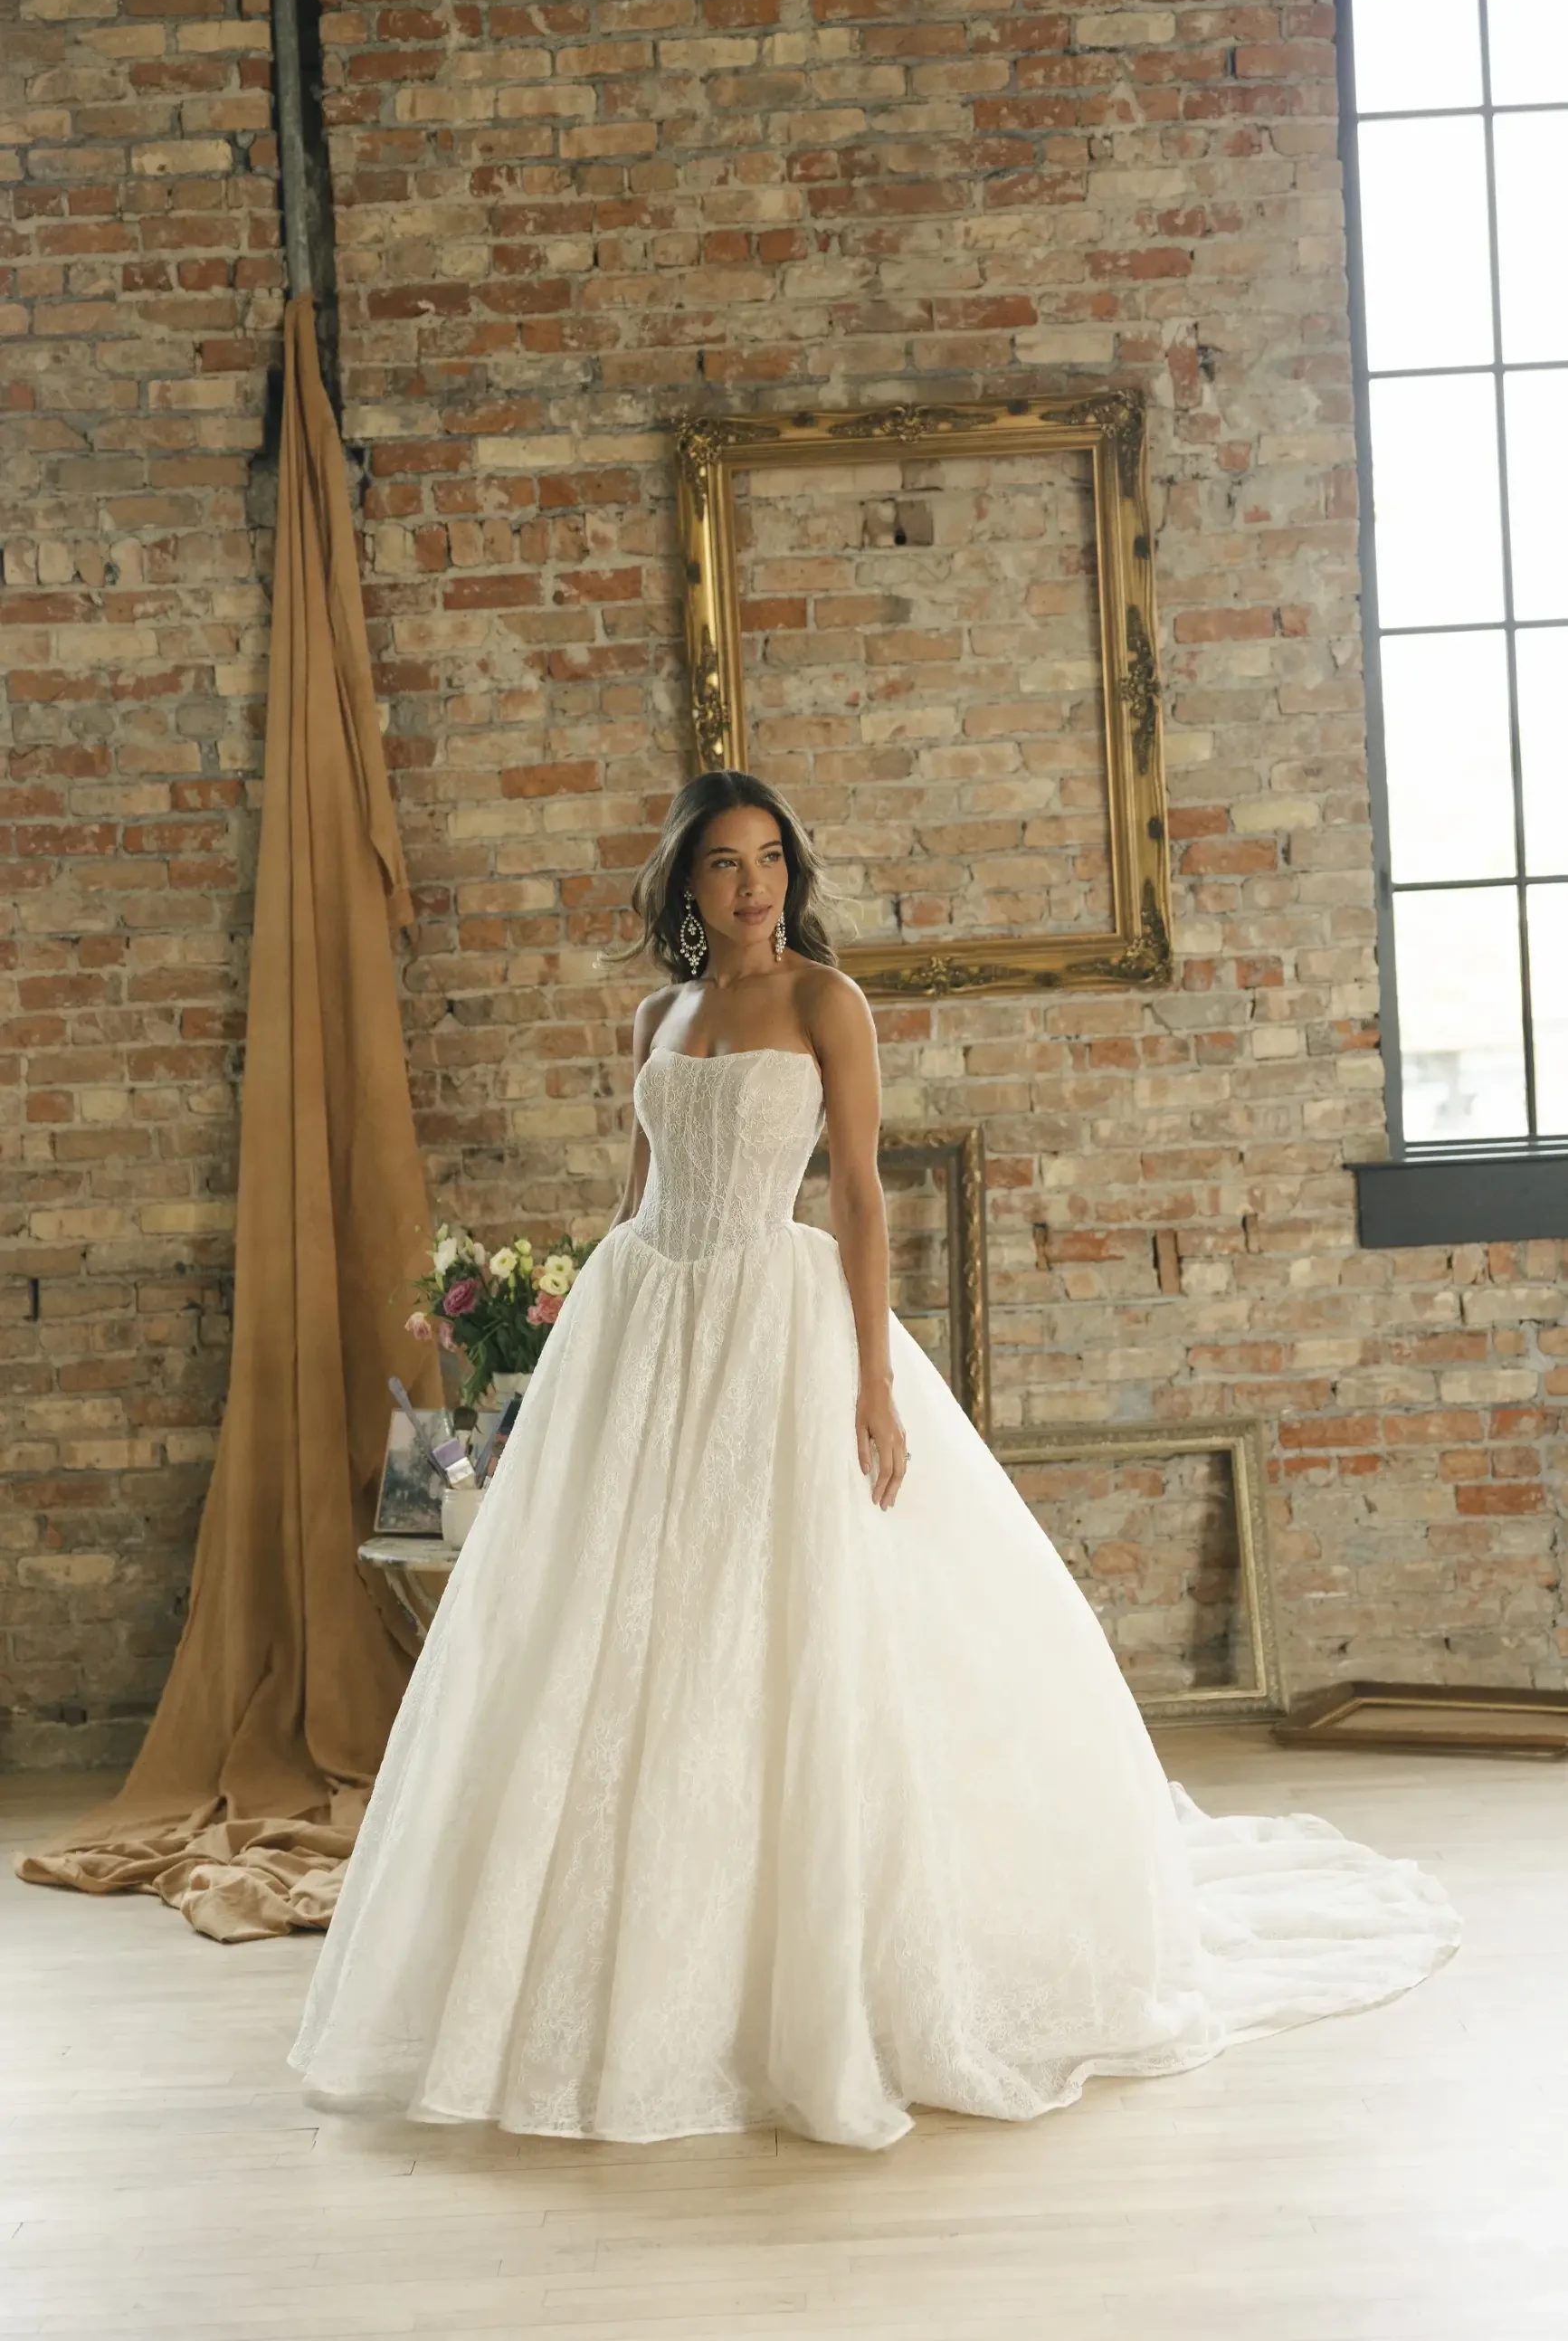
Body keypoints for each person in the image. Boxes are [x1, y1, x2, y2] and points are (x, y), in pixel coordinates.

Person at [289, 769, 1459, 2151]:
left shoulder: (825, 1005)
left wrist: (875, 1384)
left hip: (770, 1326)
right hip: (645, 1319)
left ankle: (802, 1961)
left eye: (770, 859)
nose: (754, 886)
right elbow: (634, 1193)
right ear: (687, 885)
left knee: (775, 1619)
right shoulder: (660, 1017)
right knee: (632, 1629)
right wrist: (582, 1344)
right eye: (725, 864)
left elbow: (854, 1195)